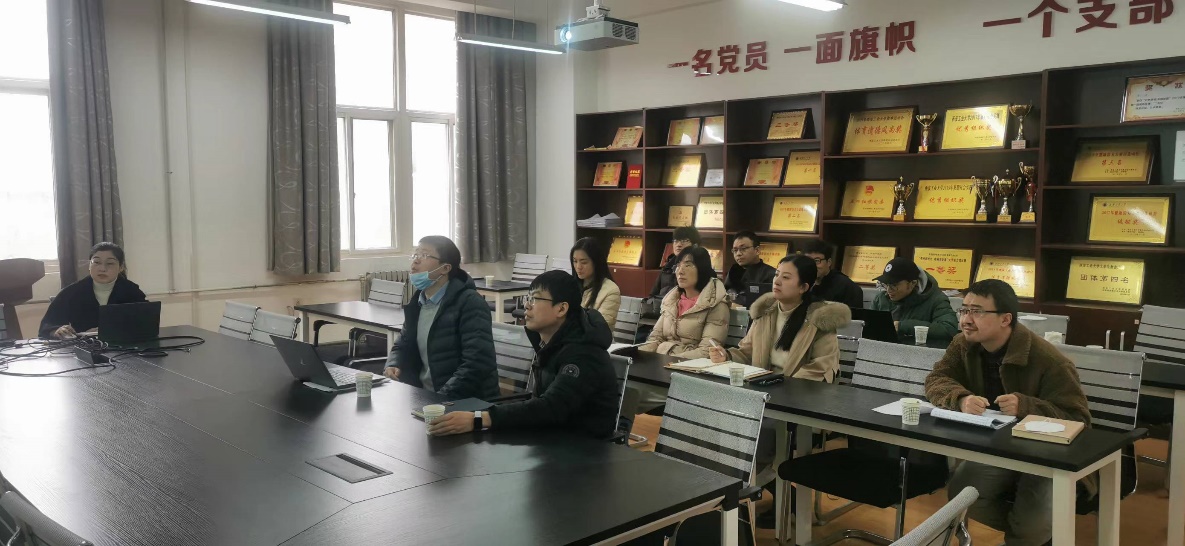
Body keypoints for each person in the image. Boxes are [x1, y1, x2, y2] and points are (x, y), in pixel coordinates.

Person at [925, 279, 1091, 546]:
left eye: (977, 312)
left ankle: (1030, 536)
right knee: (961, 493)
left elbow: (1078, 419)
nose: (966, 320)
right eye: (964, 310)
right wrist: (961, 398)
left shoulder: (1049, 361)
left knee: (1032, 520)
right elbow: (936, 379)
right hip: (1000, 448)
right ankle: (1033, 537)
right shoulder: (963, 344)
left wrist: (1026, 407)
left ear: (1005, 319)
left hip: (1049, 456)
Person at [428, 271, 620, 439]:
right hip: (551, 439)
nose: (527, 306)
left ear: (561, 308)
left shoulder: (584, 354)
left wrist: (479, 419)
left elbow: (551, 407)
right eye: (528, 298)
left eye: (535, 299)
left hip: (584, 452)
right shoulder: (551, 343)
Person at [384, 236, 499, 401]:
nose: (415, 261)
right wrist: (393, 363)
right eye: (415, 254)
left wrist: (441, 398)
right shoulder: (418, 302)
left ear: (445, 268)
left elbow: (477, 363)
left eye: (424, 255)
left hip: (464, 402)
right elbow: (403, 344)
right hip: (425, 397)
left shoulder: (469, 303)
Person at [711, 255, 851, 382]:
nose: (777, 281)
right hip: (763, 386)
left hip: (798, 392)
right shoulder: (765, 312)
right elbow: (747, 353)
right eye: (776, 274)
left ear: (803, 287)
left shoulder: (821, 319)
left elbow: (820, 368)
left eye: (786, 277)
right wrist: (727, 355)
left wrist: (783, 387)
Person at [39, 242, 147, 339]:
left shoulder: (132, 291)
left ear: (121, 267)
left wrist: (111, 331)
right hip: (84, 347)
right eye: (96, 262)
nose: (102, 268)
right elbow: (47, 325)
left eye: (110, 263)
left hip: (124, 347)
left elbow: (146, 323)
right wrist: (57, 331)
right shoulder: (71, 292)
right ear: (89, 265)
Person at [639, 246, 731, 359]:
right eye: (678, 266)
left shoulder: (715, 303)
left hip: (687, 364)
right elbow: (655, 339)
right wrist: (637, 354)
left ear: (702, 269)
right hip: (662, 360)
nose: (680, 271)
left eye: (688, 265)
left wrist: (669, 361)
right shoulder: (671, 300)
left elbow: (707, 351)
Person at [870, 257, 959, 345]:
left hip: (918, 352)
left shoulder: (936, 300)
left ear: (912, 283)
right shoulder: (881, 298)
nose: (889, 290)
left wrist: (904, 326)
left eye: (894, 285)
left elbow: (949, 329)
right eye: (886, 284)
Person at [571, 237, 622, 331]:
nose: (578, 266)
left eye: (584, 262)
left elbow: (601, 329)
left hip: (594, 339)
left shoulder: (610, 290)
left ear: (596, 262)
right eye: (575, 261)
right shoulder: (570, 284)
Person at [800, 239, 863, 309]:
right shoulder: (801, 282)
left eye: (817, 261)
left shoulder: (847, 287)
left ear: (829, 262)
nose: (812, 265)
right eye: (808, 261)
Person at [724, 231, 777, 309]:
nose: (738, 254)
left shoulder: (771, 274)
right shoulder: (734, 270)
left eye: (743, 249)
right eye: (735, 250)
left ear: (757, 250)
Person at [647, 226, 701, 301]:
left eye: (684, 241)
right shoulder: (668, 266)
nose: (678, 244)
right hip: (661, 305)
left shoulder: (698, 267)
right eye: (676, 241)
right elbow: (653, 294)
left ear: (695, 245)